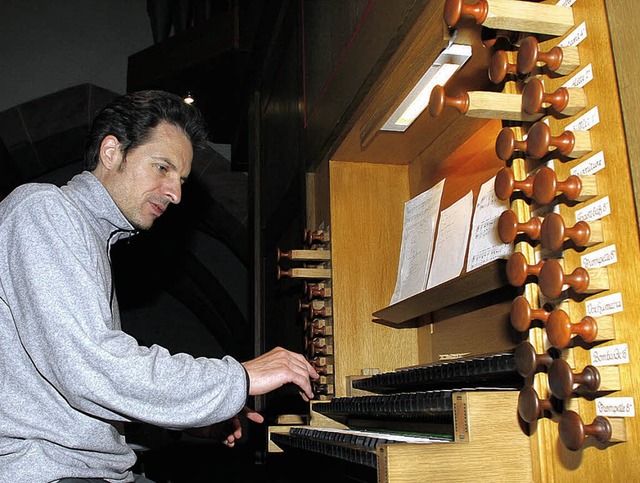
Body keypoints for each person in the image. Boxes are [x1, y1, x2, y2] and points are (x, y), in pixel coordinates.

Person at [0, 90, 318, 483]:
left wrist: (186, 424)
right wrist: (240, 377)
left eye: (181, 179)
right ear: (112, 152)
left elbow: (87, 408)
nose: (176, 194)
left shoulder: (91, 238)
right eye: (162, 167)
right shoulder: (43, 210)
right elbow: (91, 366)